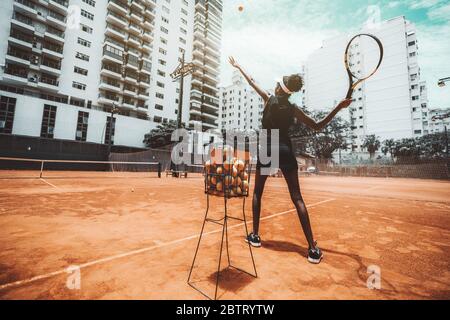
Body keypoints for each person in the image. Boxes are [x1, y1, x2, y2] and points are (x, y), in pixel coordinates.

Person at [228, 56, 352, 264]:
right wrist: (339, 107)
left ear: (279, 89)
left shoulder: (268, 98)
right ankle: (312, 249)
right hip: (285, 149)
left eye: (277, 83)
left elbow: (250, 80)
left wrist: (238, 65)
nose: (275, 84)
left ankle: (255, 236)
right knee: (297, 198)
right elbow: (317, 125)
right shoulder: (293, 109)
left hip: (267, 148)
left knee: (258, 192)